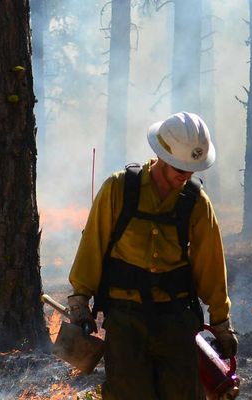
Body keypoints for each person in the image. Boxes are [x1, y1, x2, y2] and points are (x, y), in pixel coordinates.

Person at [67, 112, 237, 399]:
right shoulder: (118, 190)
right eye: (180, 169)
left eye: (191, 170)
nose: (186, 176)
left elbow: (211, 266)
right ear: (162, 156)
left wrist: (222, 324)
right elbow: (91, 248)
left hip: (176, 321)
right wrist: (80, 301)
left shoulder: (196, 204)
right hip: (125, 320)